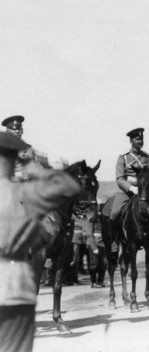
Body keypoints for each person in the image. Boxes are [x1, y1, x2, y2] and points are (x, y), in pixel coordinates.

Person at [0, 132, 80, 352]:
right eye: (13, 129)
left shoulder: (29, 151)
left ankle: (57, 314)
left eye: (20, 129)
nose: (18, 132)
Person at [110, 128, 149, 249]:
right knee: (114, 214)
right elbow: (120, 179)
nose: (140, 141)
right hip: (126, 192)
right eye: (137, 139)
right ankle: (115, 241)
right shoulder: (123, 157)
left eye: (141, 139)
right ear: (131, 140)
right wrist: (131, 188)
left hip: (145, 192)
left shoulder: (147, 157)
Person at [2, 115, 39, 182]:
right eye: (13, 130)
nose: (17, 131)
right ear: (7, 131)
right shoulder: (3, 148)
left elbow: (36, 165)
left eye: (19, 129)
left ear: (22, 131)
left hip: (27, 184)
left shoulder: (28, 148)